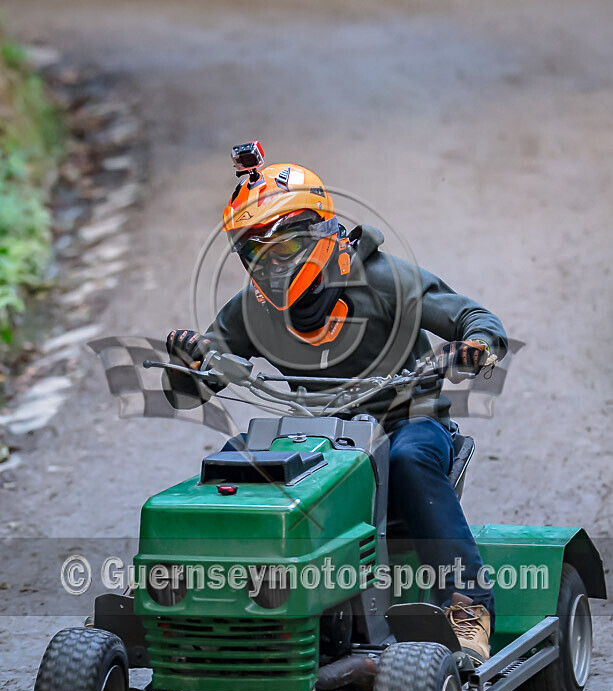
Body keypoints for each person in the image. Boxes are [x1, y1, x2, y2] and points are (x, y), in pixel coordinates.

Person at [165, 148, 508, 663]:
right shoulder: (253, 310)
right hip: (315, 432)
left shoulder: (386, 280)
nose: (272, 264)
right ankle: (180, 597)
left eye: (283, 247)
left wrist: (474, 346)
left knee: (409, 462)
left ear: (321, 233)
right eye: (256, 252)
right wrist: (189, 364)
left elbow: (476, 318)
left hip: (405, 420)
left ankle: (467, 605)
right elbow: (190, 389)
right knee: (230, 466)